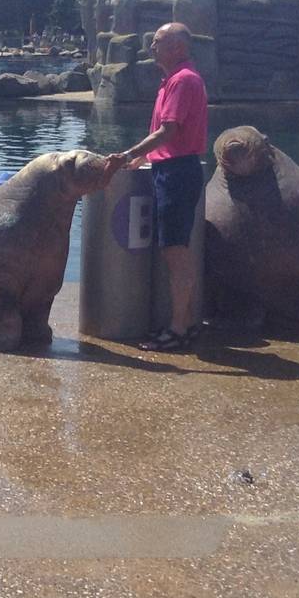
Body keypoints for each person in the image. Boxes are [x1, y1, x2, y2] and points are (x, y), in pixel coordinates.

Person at [107, 22, 209, 352]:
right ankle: (184, 323)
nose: (151, 47)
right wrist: (144, 159)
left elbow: (169, 131)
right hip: (170, 169)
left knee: (175, 252)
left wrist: (130, 154)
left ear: (177, 47)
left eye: (158, 42)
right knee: (173, 249)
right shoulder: (172, 80)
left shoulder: (183, 80)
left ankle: (179, 328)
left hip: (177, 173)